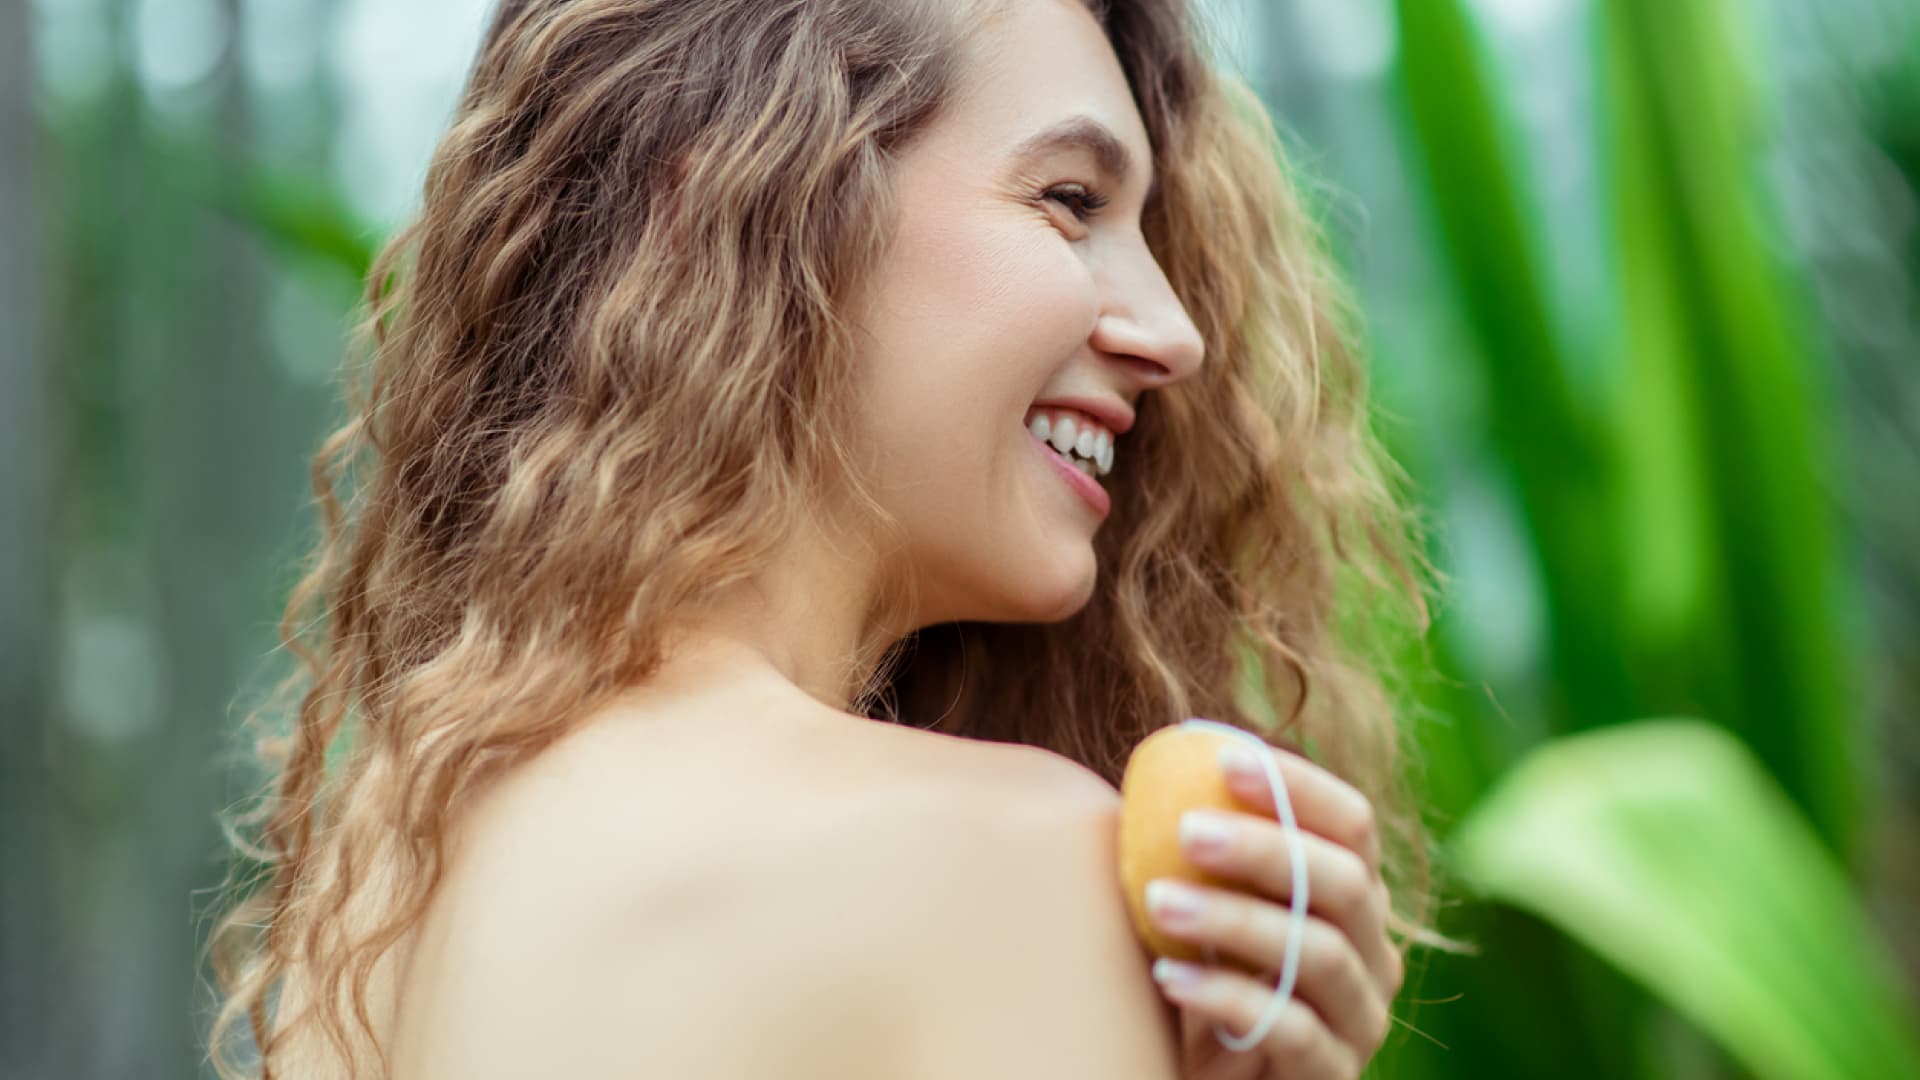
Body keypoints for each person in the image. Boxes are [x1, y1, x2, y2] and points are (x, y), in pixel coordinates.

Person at [205, 0, 1463, 1076]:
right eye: (1070, 201)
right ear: (739, 188)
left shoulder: (380, 888)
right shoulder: (1006, 863)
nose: (1174, 332)